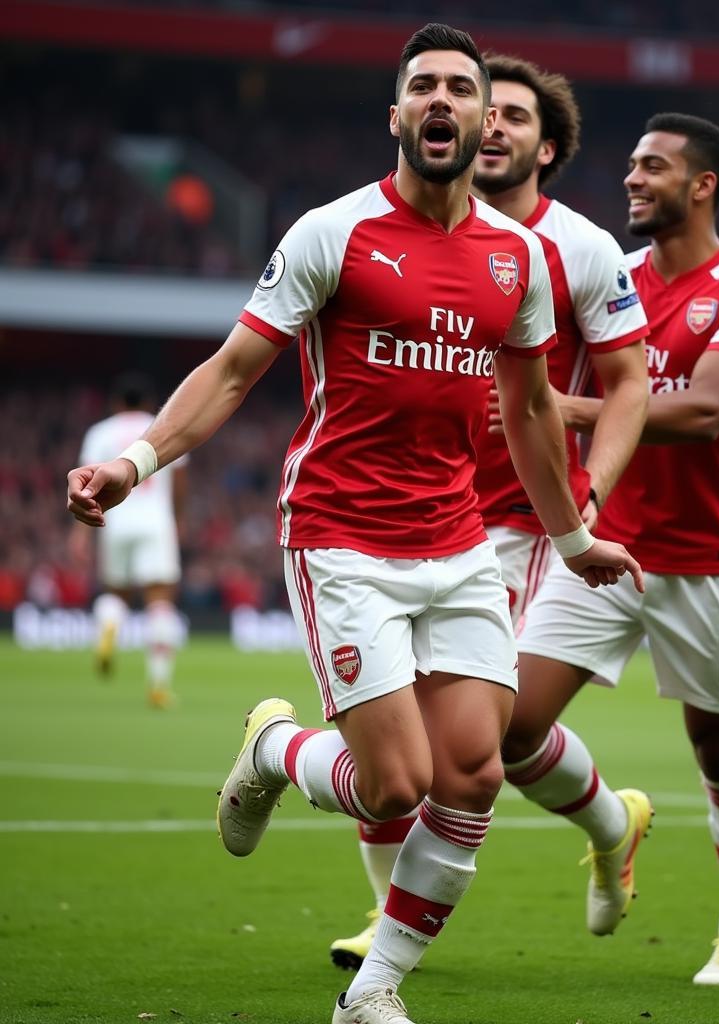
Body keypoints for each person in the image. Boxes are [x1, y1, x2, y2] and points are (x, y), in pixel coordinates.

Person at [67, 24, 642, 1024]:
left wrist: (574, 531)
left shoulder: (520, 259)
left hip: (460, 542)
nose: (442, 102)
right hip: (340, 536)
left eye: (461, 89)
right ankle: (274, 748)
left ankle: (370, 995)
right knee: (392, 787)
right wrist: (135, 460)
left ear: (480, 121)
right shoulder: (333, 232)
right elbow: (236, 367)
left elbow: (532, 409)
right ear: (396, 115)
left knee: (469, 772)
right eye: (422, 86)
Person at [329, 51, 650, 972]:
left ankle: (598, 822)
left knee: (480, 739)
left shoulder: (577, 248)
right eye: (487, 109)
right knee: (396, 726)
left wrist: (584, 496)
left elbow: (627, 386)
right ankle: (392, 915)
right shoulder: (383, 231)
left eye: (514, 116)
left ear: (544, 147)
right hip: (396, 516)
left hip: (519, 519)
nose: (495, 126)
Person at [501, 113, 719, 985]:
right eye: (630, 165)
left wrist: (575, 411)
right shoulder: (609, 279)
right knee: (510, 731)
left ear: (701, 185)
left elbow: (707, 412)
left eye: (653, 167)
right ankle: (610, 825)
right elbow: (531, 380)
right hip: (606, 549)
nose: (632, 178)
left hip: (711, 559)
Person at [69, 372, 186, 708]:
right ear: (150, 403)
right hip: (155, 523)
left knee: (117, 593)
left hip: (115, 522)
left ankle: (108, 625)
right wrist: (178, 519)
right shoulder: (162, 425)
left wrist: (79, 533)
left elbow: (85, 486)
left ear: (116, 403)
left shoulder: (100, 432)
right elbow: (180, 477)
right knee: (160, 600)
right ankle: (159, 685)